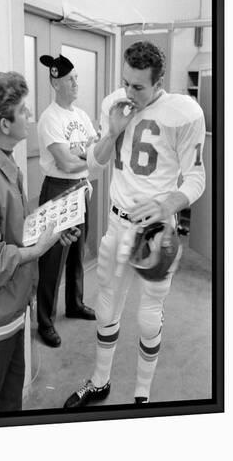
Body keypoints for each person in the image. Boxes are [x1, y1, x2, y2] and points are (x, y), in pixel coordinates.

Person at [63, 41, 206, 407]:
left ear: (159, 82)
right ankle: (99, 381)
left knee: (148, 317)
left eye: (138, 86)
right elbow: (94, 167)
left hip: (155, 232)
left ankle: (142, 393)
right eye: (125, 82)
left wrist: (166, 204)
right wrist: (112, 131)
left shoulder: (184, 112)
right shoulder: (115, 102)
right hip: (117, 223)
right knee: (107, 307)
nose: (129, 91)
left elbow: (196, 178)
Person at [0, 71, 80, 414]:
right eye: (24, 111)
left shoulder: (4, 162)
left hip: (9, 307)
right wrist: (36, 250)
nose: (31, 116)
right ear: (5, 124)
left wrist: (49, 232)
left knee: (8, 404)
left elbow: (9, 231)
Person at [36, 54, 97, 348]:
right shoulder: (50, 118)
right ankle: (45, 322)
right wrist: (85, 158)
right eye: (70, 79)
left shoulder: (81, 116)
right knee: (52, 260)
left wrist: (83, 160)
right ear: (55, 83)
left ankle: (75, 304)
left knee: (77, 252)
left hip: (80, 188)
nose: (76, 83)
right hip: (58, 190)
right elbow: (65, 163)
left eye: (76, 78)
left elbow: (95, 152)